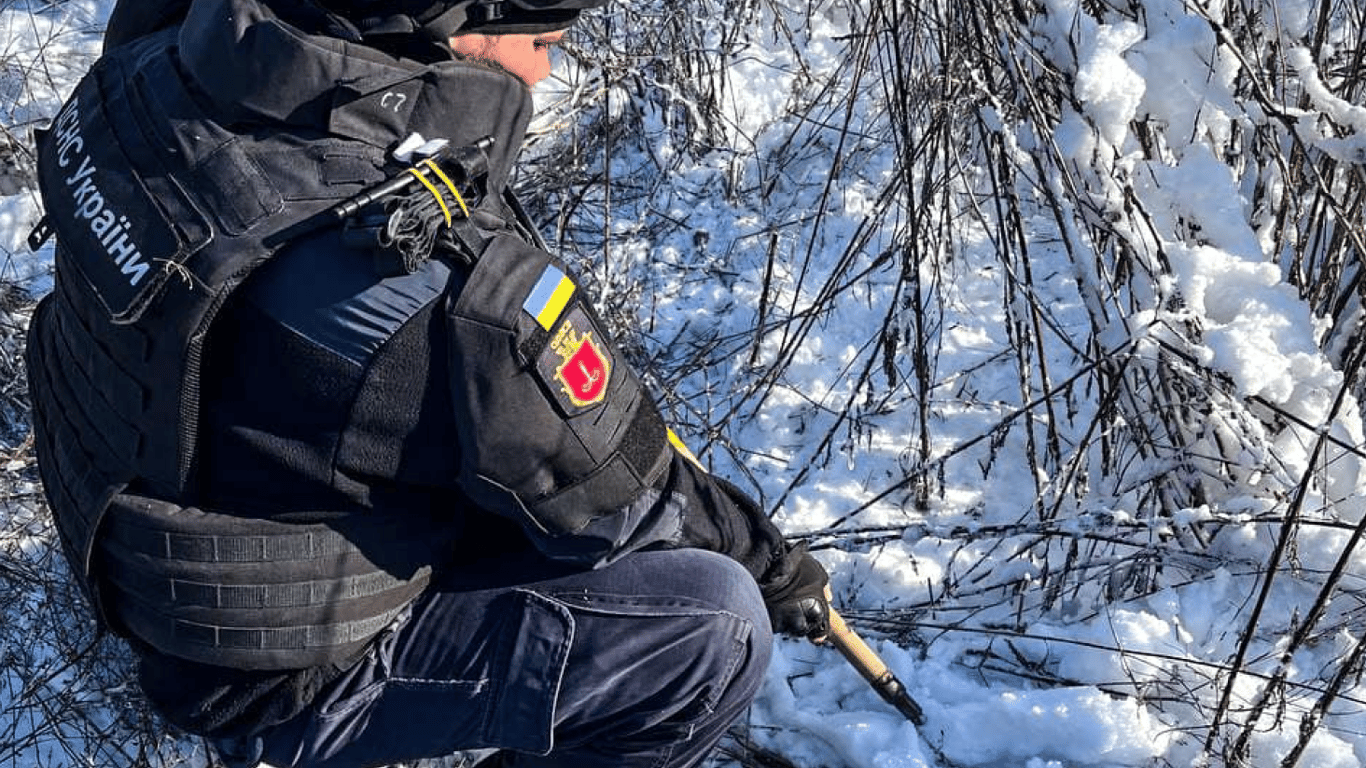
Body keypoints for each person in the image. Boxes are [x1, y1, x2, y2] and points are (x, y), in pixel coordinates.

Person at [23, 0, 832, 766]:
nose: (545, 73)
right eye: (541, 44)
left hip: (144, 536)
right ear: (454, 22)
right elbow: (625, 498)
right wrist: (774, 566)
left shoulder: (165, 59)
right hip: (260, 679)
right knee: (714, 626)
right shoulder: (424, 289)